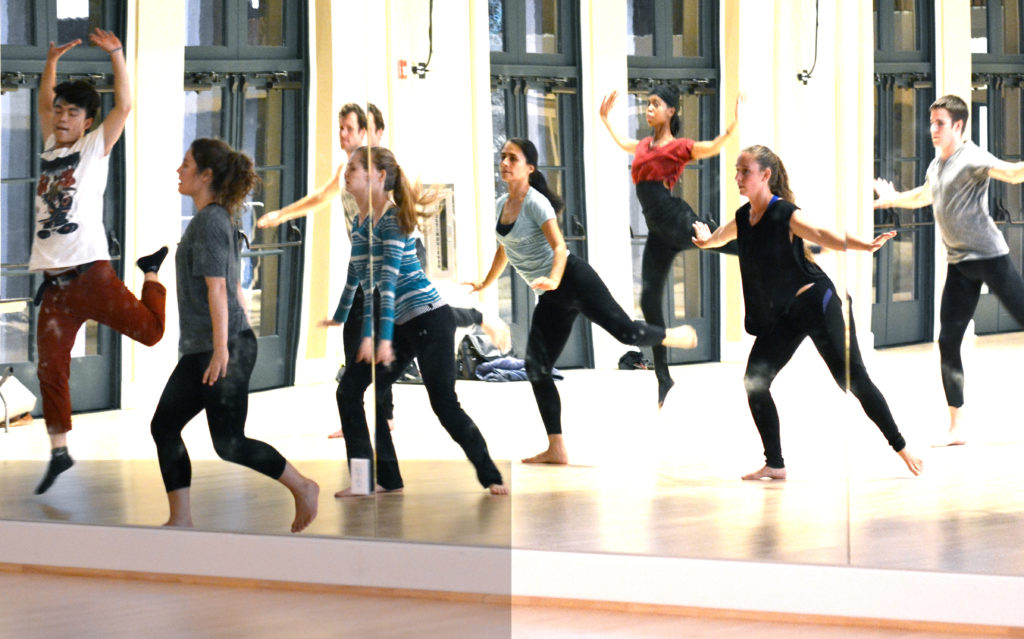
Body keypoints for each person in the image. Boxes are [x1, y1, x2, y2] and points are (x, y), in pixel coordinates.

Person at [692, 144, 923, 480]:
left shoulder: (785, 212)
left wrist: (866, 245)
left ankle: (902, 447)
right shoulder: (744, 217)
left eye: (745, 171)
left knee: (852, 380)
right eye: (737, 172)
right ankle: (775, 464)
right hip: (785, 313)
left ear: (765, 175)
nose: (738, 178)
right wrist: (704, 240)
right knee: (755, 381)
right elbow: (718, 238)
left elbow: (823, 234)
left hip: (817, 302)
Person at [467, 138, 699, 465]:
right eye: (502, 157)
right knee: (537, 367)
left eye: (512, 158)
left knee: (626, 334)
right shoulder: (500, 205)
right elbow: (504, 249)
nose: (504, 162)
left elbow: (560, 248)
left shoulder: (536, 204)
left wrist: (554, 277)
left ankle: (670, 335)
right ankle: (556, 447)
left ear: (529, 168)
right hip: (552, 294)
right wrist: (485, 282)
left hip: (573, 279)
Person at [150, 138, 319, 532]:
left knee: (228, 443)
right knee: (164, 426)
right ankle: (181, 519)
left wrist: (224, 348)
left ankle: (302, 486)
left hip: (220, 348)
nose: (179, 170)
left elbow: (218, 289)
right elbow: (233, 286)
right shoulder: (215, 218)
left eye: (186, 164)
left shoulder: (211, 220)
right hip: (207, 347)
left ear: (206, 175)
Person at [30, 30, 168, 494]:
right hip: (55, 287)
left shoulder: (93, 149)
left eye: (73, 113)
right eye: (61, 111)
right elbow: (44, 100)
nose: (63, 117)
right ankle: (59, 452)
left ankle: (151, 271)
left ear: (87, 123)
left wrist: (116, 54)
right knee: (50, 367)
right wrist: (51, 62)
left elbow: (123, 107)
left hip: (91, 273)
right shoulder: (51, 147)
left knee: (151, 333)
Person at [333, 146, 508, 496]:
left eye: (354, 168)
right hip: (400, 323)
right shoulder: (360, 222)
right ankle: (375, 480)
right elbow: (359, 278)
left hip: (429, 323)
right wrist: (339, 317)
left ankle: (491, 475)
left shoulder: (395, 221)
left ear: (379, 177)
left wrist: (380, 339)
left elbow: (389, 281)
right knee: (350, 391)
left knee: (444, 404)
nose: (347, 173)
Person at [873, 94, 1024, 446]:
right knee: (948, 342)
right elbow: (926, 195)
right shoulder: (937, 164)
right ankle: (957, 427)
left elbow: (1013, 174)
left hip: (989, 257)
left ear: (958, 125)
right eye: (931, 123)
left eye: (939, 123)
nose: (932, 130)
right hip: (959, 264)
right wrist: (894, 198)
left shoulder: (972, 158)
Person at [600, 86, 742, 408]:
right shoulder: (642, 146)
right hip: (657, 233)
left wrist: (734, 124)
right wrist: (605, 119)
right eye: (648, 104)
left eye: (656, 104)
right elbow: (623, 143)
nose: (649, 109)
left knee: (716, 244)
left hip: (674, 216)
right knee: (649, 300)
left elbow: (714, 146)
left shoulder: (679, 147)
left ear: (671, 111)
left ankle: (773, 246)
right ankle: (663, 376)